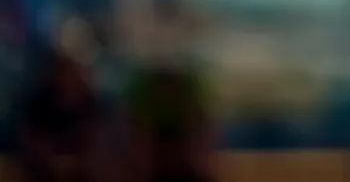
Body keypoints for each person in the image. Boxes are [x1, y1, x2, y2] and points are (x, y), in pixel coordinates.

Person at [14, 50, 107, 182]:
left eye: (73, 73)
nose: (69, 78)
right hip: (43, 167)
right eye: (65, 73)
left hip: (82, 168)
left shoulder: (90, 104)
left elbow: (96, 137)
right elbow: (29, 136)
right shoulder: (39, 102)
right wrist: (51, 160)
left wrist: (77, 161)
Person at [122, 63, 215, 182]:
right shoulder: (140, 90)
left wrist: (195, 157)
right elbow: (137, 130)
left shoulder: (192, 89)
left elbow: (200, 124)